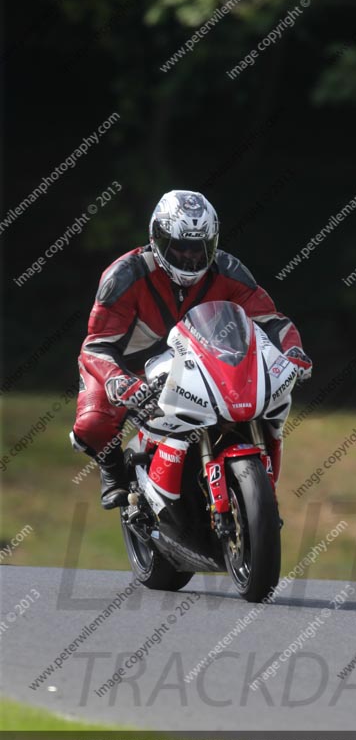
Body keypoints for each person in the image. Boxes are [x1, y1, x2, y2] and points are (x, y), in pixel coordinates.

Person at [70, 190, 312, 509]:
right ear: (157, 239)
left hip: (197, 362)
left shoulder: (228, 270)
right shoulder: (124, 275)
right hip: (130, 369)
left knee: (252, 404)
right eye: (180, 246)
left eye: (199, 248)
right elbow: (97, 344)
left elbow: (270, 320)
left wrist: (293, 351)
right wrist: (117, 379)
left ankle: (253, 490)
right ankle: (113, 470)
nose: (189, 257)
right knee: (92, 425)